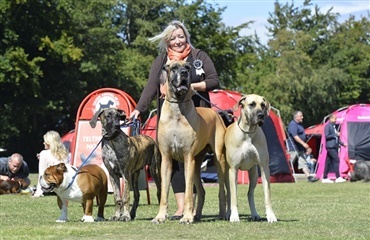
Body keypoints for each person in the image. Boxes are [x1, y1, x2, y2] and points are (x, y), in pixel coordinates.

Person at [129, 20, 220, 219]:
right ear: (167, 41)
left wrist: (193, 87)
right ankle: (181, 208)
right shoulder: (161, 60)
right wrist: (138, 110)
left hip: (198, 114)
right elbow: (151, 87)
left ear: (186, 37)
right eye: (173, 38)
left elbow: (214, 80)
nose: (178, 41)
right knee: (173, 161)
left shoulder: (198, 56)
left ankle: (193, 206)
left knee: (193, 160)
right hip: (169, 115)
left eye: (181, 36)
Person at [33, 130, 70, 197]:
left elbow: (41, 174)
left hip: (49, 187)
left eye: (45, 141)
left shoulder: (44, 153)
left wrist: (38, 192)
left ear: (49, 143)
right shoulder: (65, 153)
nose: (43, 143)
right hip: (63, 187)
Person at [287, 111, 319, 182]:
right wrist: (303, 143)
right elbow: (295, 136)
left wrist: (305, 143)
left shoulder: (300, 125)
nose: (302, 117)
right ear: (296, 117)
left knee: (303, 162)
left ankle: (309, 177)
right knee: (289, 163)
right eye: (301, 116)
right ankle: (283, 176)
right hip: (293, 148)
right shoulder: (292, 125)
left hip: (300, 148)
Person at [322, 114, 347, 183]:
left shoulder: (333, 127)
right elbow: (327, 136)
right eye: (335, 119)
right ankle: (338, 177)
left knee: (328, 162)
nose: (336, 120)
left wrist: (342, 144)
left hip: (334, 146)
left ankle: (324, 177)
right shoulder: (328, 126)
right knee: (336, 160)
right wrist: (335, 134)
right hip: (330, 147)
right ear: (330, 119)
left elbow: (336, 138)